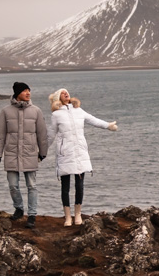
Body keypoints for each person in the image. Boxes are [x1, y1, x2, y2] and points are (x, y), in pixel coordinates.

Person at [46, 87, 118, 225]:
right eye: (62, 93)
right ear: (58, 98)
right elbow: (51, 135)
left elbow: (93, 120)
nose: (66, 93)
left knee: (79, 185)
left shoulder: (78, 110)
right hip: (65, 153)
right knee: (65, 187)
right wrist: (42, 152)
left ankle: (77, 214)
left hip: (80, 153)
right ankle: (68, 217)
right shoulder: (56, 115)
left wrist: (108, 126)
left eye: (66, 91)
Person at [0, 81, 48, 229]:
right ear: (17, 93)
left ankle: (32, 215)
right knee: (13, 186)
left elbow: (42, 134)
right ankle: (18, 208)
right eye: (25, 91)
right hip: (11, 153)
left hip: (30, 152)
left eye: (29, 90)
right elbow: (0, 135)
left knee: (32, 185)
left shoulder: (36, 111)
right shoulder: (5, 111)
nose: (28, 93)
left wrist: (43, 152)